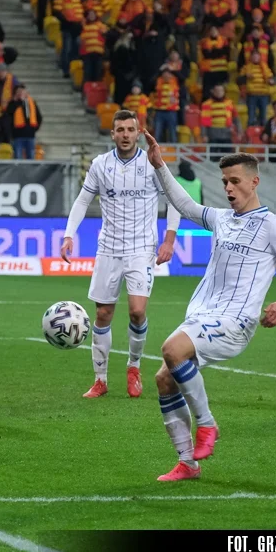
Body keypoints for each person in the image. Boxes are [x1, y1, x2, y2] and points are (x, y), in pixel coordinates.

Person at [144, 130, 276, 482]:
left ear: (254, 181)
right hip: (202, 316)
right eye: (224, 182)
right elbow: (185, 206)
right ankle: (187, 463)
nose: (228, 188)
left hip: (236, 321)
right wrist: (160, 165)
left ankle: (207, 424)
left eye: (235, 181)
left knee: (172, 350)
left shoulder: (272, 225)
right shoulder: (221, 219)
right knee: (163, 379)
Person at [60, 111, 181, 399]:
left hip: (142, 248)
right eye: (120, 129)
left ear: (138, 133)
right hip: (109, 248)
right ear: (112, 134)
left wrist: (169, 240)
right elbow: (82, 201)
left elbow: (174, 200)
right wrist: (68, 234)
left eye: (130, 129)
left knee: (137, 312)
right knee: (103, 313)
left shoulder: (152, 163)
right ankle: (100, 380)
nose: (125, 134)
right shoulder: (100, 165)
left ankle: (134, 366)